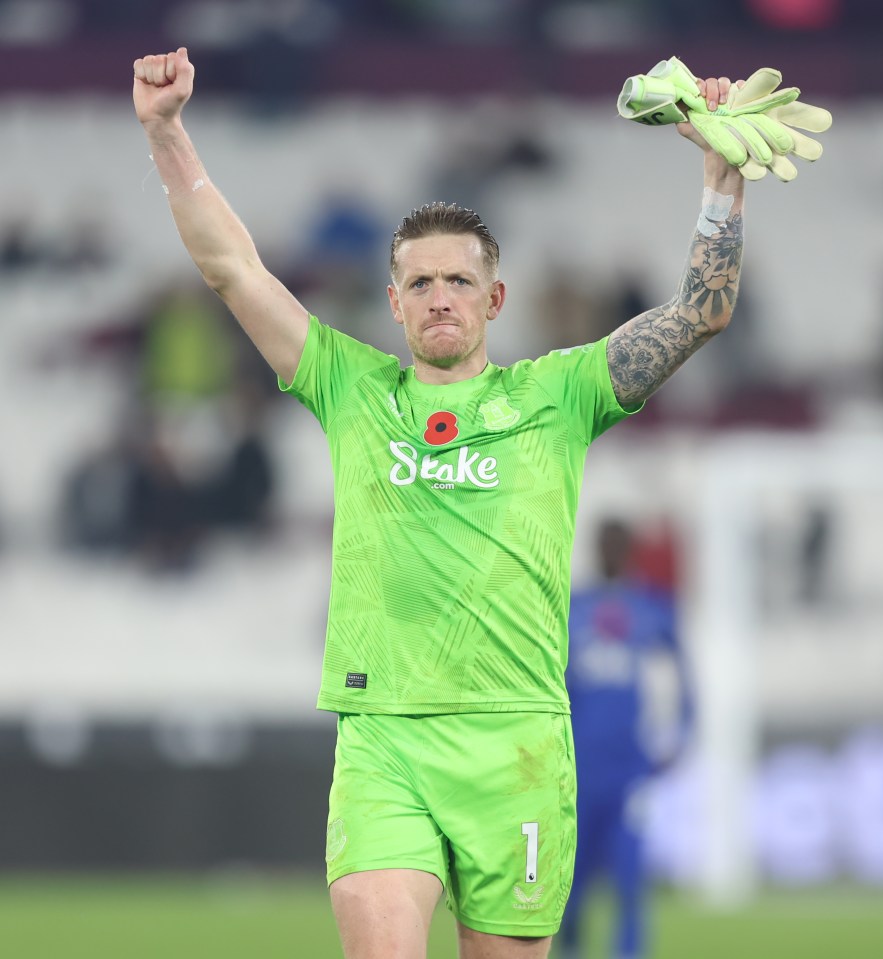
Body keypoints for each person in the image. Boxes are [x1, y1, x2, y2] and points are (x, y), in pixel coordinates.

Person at [133, 46, 745, 959]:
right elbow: (235, 270)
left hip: (520, 746)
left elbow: (699, 313)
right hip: (385, 739)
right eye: (419, 282)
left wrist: (721, 182)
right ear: (393, 303)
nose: (439, 297)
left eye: (458, 280)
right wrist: (166, 131)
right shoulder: (350, 387)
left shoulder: (559, 393)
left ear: (494, 297)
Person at [559, 519, 694, 959]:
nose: (612, 553)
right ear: (597, 550)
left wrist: (681, 733)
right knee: (570, 881)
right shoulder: (573, 607)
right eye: (607, 545)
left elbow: (684, 675)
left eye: (618, 546)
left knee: (629, 879)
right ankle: (571, 948)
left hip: (629, 771)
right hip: (576, 768)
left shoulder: (649, 608)